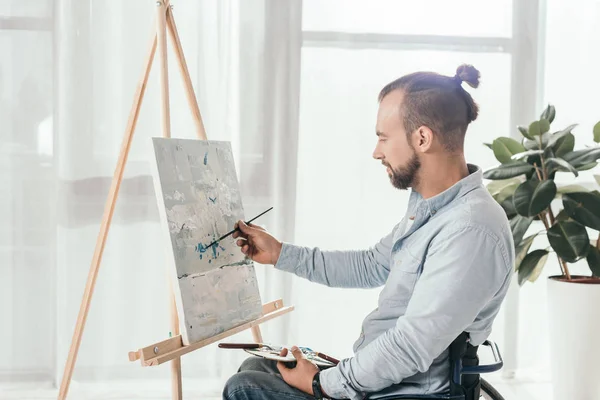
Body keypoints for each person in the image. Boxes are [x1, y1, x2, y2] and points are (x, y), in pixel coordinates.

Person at [222, 64, 514, 400]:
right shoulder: (434, 208)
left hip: (414, 394)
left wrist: (322, 383)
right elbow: (371, 265)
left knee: (244, 388)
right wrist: (279, 253)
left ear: (422, 138)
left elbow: (410, 346)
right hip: (393, 382)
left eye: (383, 137)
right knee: (257, 368)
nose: (377, 152)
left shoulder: (470, 230)